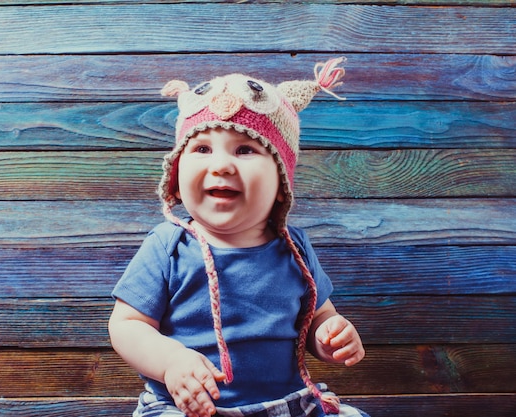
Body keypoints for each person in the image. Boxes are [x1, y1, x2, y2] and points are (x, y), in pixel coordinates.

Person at [109, 57, 370, 417]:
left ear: (281, 182)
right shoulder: (168, 246)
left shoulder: (293, 248)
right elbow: (126, 325)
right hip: (186, 406)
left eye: (245, 150)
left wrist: (330, 335)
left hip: (284, 403)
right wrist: (170, 362)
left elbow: (317, 314)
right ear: (176, 176)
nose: (221, 165)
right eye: (201, 149)